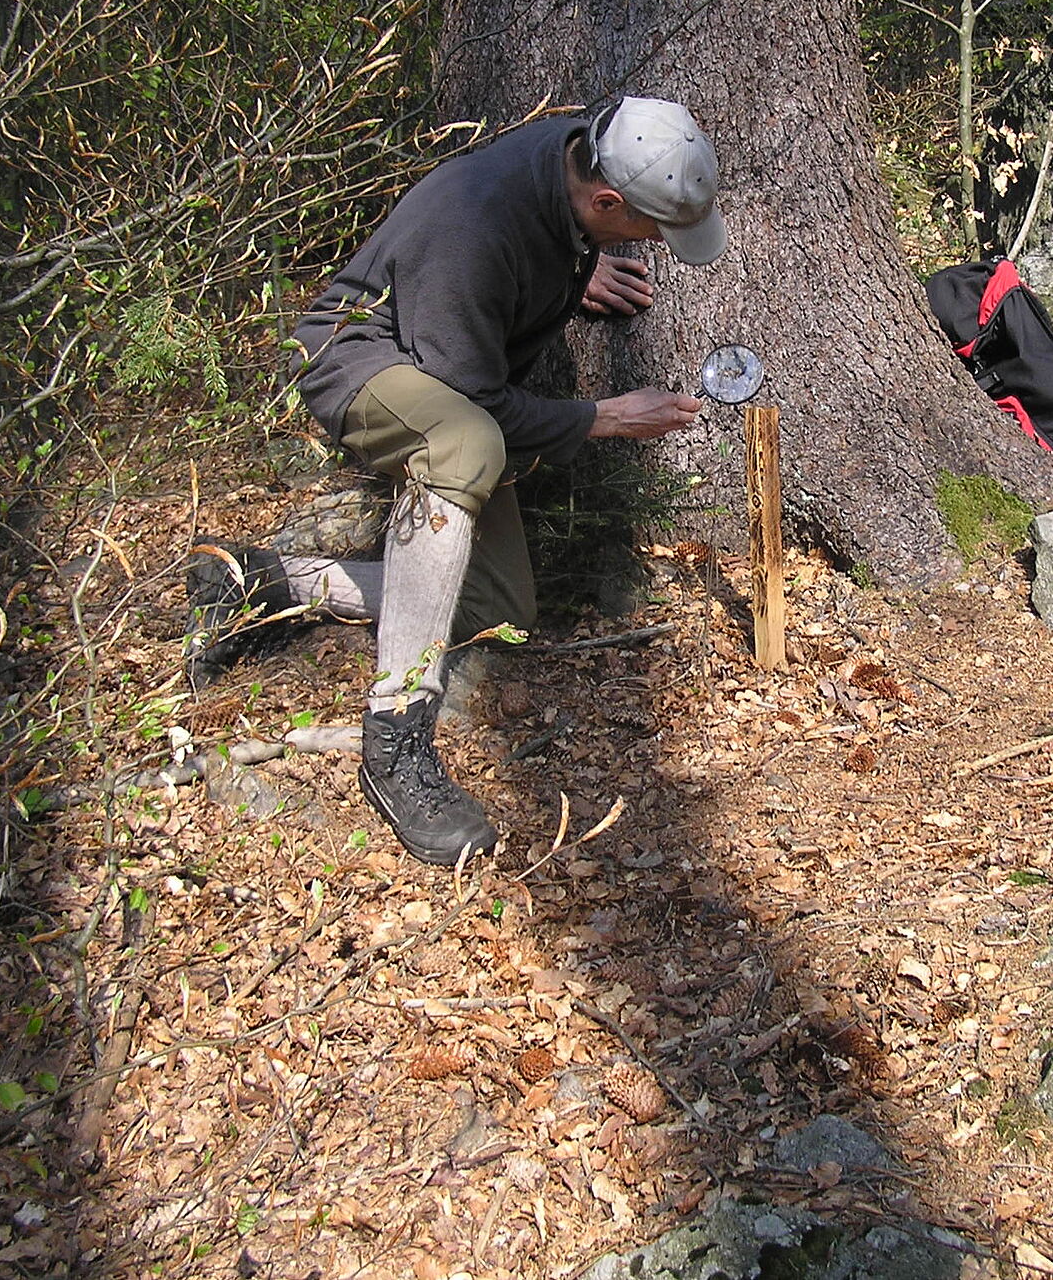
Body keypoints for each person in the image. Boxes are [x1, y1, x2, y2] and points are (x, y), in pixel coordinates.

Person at [185, 97, 727, 866]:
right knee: (468, 441)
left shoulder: (575, 155)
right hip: (355, 358)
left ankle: (262, 580)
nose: (656, 248)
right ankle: (396, 738)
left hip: (439, 374)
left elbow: (543, 242)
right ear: (608, 201)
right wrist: (602, 417)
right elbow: (477, 404)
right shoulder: (475, 229)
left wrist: (579, 271)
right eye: (646, 229)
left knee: (496, 606)